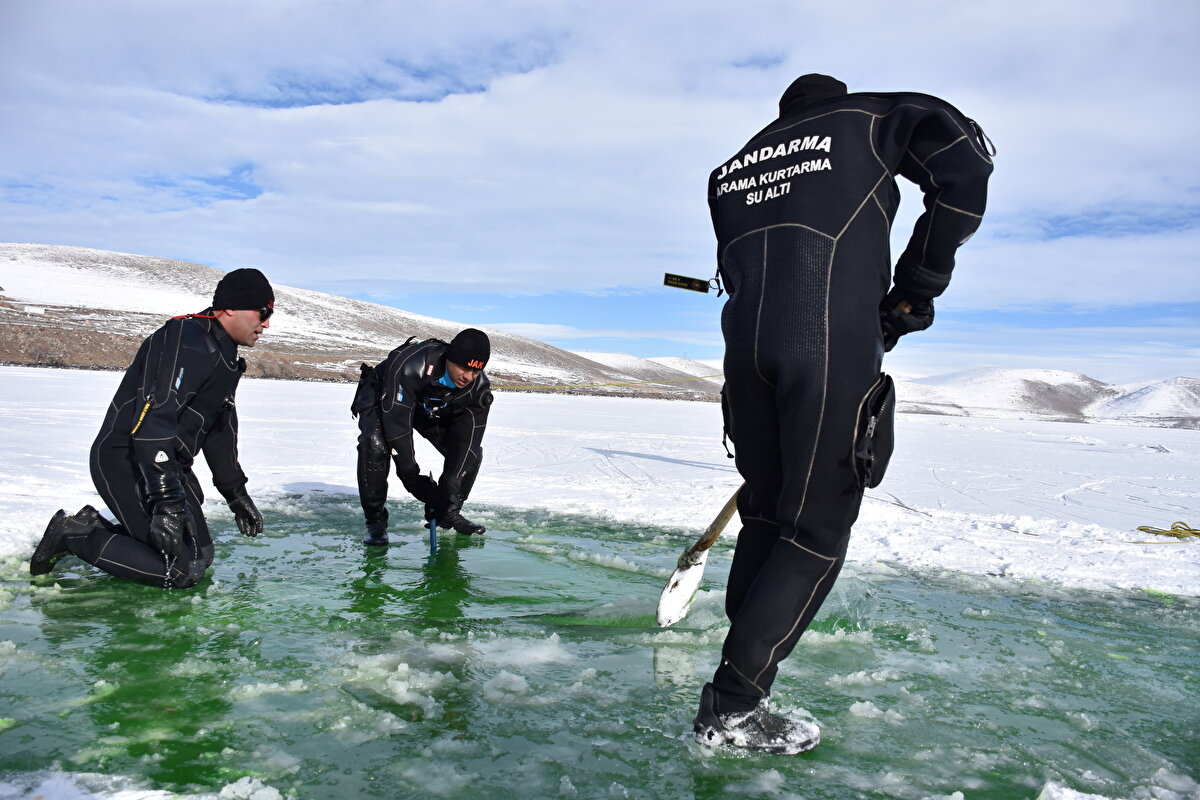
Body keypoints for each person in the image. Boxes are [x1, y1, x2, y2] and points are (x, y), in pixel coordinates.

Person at [693, 74, 993, 753]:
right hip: (825, 343)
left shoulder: (731, 169)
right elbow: (965, 164)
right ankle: (732, 708)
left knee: (769, 520)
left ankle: (741, 684)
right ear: (833, 99)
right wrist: (916, 285)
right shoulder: (869, 116)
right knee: (816, 531)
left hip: (744, 354)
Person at [29, 268, 274, 589]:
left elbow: (220, 431)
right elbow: (154, 419)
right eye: (263, 312)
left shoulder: (226, 356)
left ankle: (95, 526)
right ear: (230, 307)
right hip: (128, 459)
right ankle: (74, 535)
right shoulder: (187, 339)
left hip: (165, 465)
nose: (267, 323)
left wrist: (235, 492)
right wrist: (167, 502)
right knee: (180, 570)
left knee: (202, 555)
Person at [352, 328, 493, 545]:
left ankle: (448, 513)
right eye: (463, 368)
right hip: (386, 397)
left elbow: (467, 444)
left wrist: (446, 498)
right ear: (450, 359)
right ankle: (376, 522)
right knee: (375, 445)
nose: (468, 377)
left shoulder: (478, 389)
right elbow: (398, 429)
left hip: (431, 407)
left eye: (476, 371)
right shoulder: (411, 367)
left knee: (471, 456)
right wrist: (415, 482)